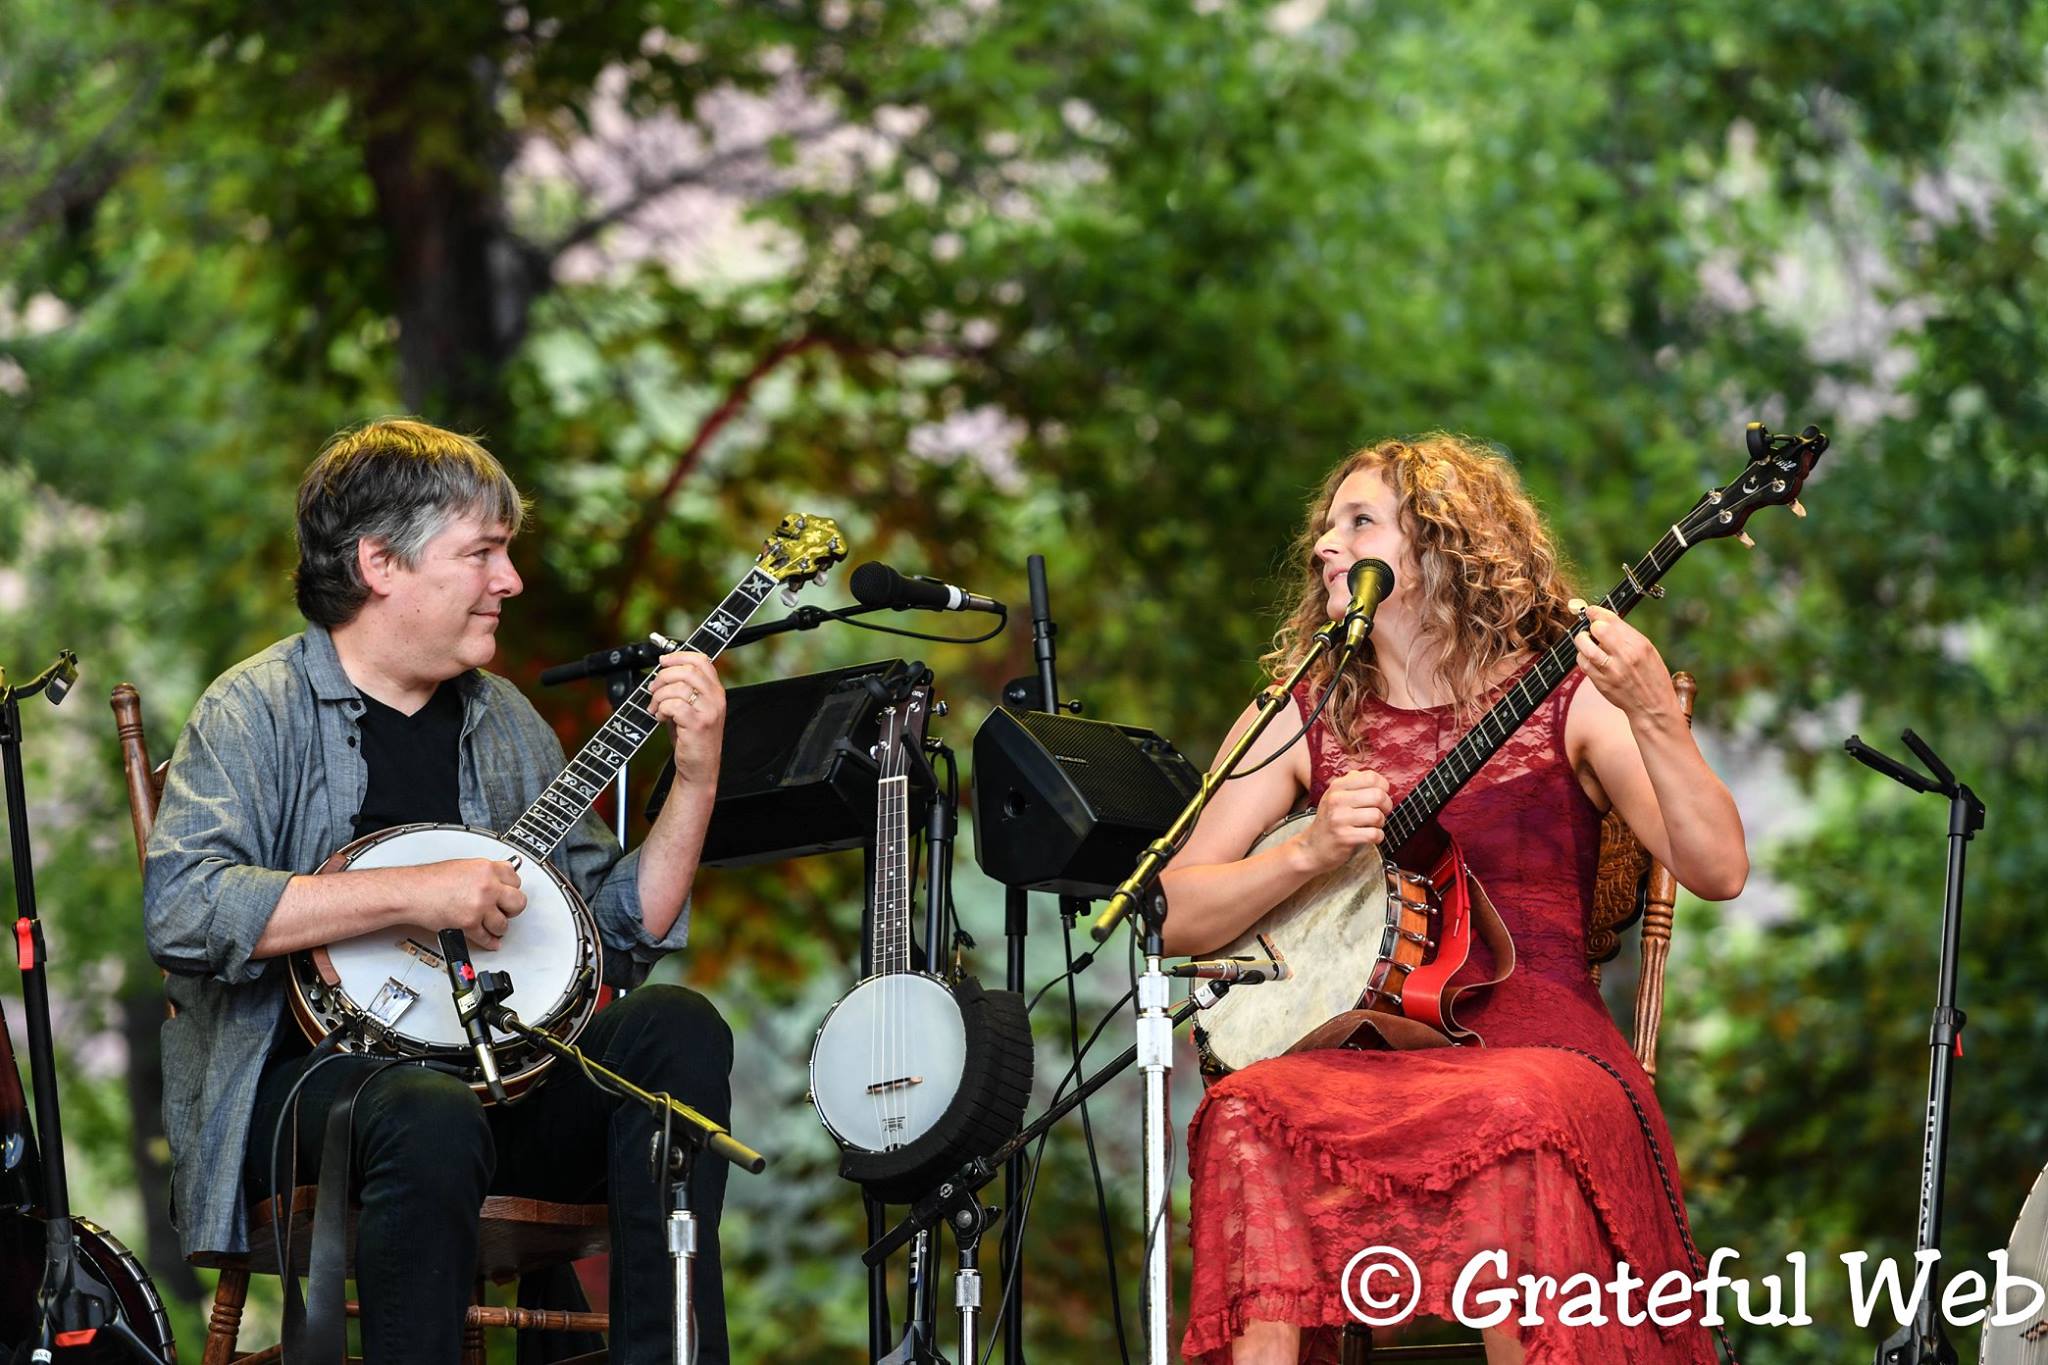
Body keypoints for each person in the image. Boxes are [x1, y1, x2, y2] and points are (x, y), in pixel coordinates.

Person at [144, 419, 736, 1363]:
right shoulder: (252, 709)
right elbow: (181, 907)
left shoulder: (505, 722)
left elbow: (617, 934)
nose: (511, 581)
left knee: (677, 1028)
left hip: (507, 1093)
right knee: (424, 1107)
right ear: (381, 562)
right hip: (309, 1106)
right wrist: (414, 892)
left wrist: (696, 775)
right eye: (484, 553)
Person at [1162, 433, 1748, 1364]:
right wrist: (1306, 853)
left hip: (1540, 1040)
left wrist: (1652, 713)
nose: (1325, 545)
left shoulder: (1570, 694)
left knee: (1514, 1107)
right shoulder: (1306, 710)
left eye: (1360, 523)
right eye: (1326, 526)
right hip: (1363, 1047)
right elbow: (1176, 915)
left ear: (1443, 547)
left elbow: (1719, 868)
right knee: (1248, 1108)